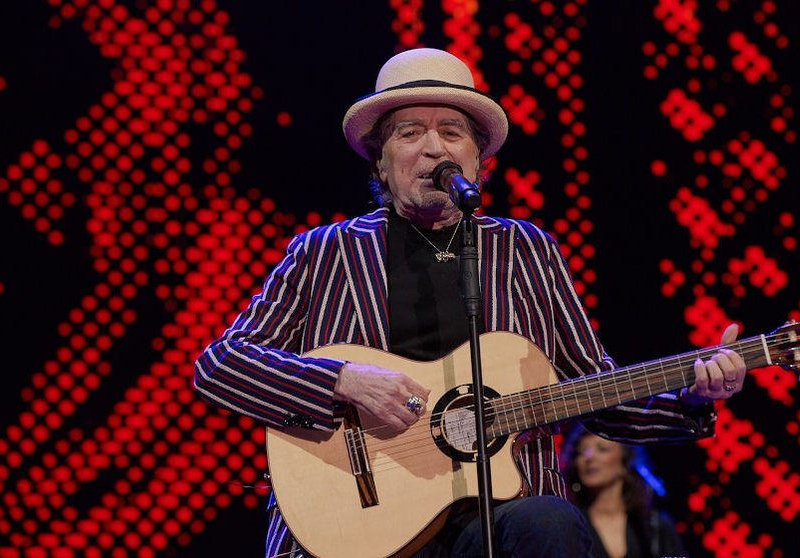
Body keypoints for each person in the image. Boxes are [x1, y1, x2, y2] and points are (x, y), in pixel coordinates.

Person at [193, 47, 747, 558]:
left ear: (477, 160)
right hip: (353, 523)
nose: (434, 147)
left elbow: (594, 388)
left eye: (452, 132)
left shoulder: (527, 251)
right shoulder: (327, 252)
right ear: (380, 164)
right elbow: (219, 367)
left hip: (500, 517)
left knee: (550, 523)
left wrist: (692, 398)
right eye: (410, 132)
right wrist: (339, 381)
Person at [562, 426, 688, 558]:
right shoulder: (570, 526)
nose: (588, 457)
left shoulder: (655, 526)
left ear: (625, 461)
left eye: (602, 449)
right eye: (580, 452)